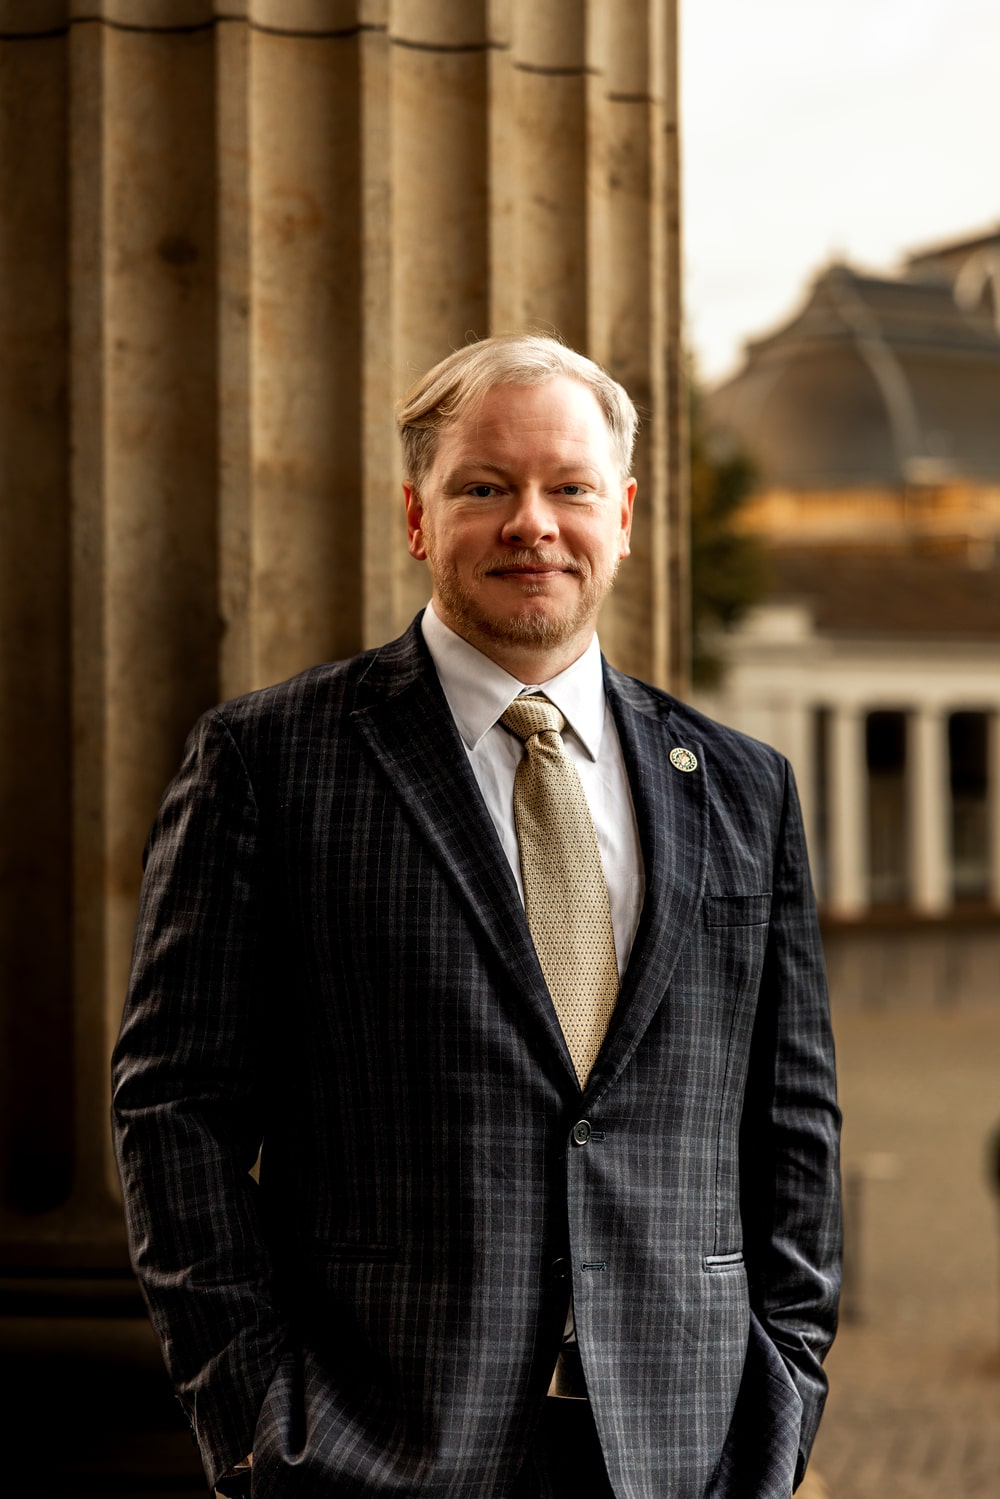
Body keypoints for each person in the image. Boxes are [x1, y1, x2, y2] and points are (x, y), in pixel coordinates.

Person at [112, 334, 841, 1499]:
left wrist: (784, 1395)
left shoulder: (745, 787)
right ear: (417, 514)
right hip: (378, 1443)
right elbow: (172, 1105)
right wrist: (257, 1415)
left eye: (569, 488)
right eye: (485, 487)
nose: (532, 524)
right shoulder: (268, 761)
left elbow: (791, 1120)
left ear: (624, 513)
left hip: (682, 1446)